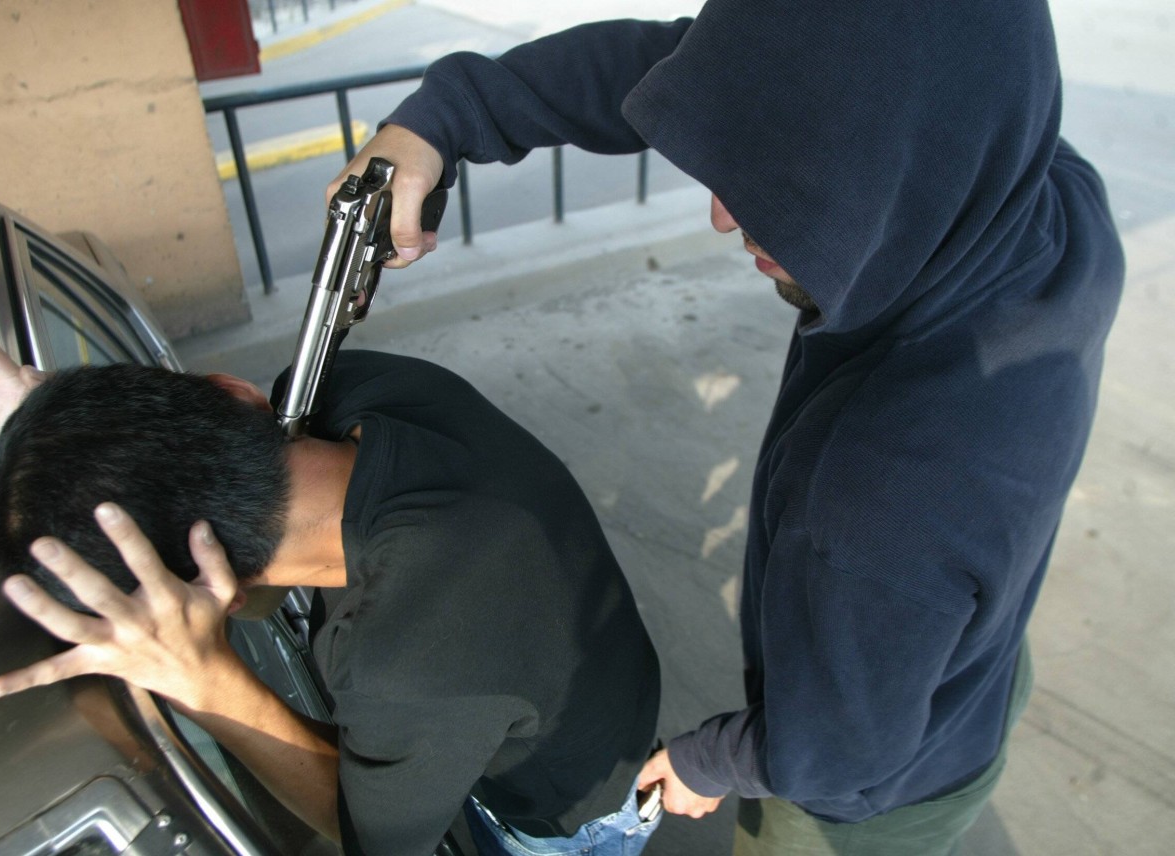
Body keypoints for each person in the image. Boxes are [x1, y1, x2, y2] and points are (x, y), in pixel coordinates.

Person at [324, 1, 1127, 853]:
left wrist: (714, 761)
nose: (719, 215)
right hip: (979, 660)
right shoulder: (1041, 197)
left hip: (880, 795)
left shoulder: (879, 499)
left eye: (785, 183)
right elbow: (691, 66)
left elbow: (843, 750)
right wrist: (442, 121)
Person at [0, 310, 662, 856]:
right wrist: (55, 451)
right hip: (586, 675)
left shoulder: (409, 661)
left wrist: (204, 677)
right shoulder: (360, 386)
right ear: (235, 392)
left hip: (563, 817)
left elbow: (376, 839)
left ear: (215, 598)